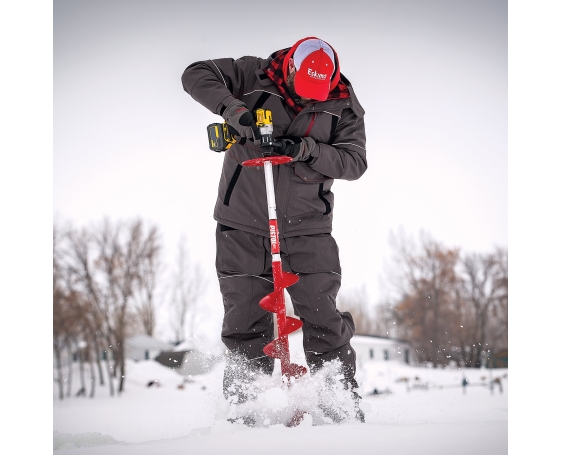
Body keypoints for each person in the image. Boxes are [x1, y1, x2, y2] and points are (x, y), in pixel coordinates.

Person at [182, 37, 367, 423]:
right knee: (245, 320)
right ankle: (247, 411)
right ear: (291, 69)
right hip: (242, 223)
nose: (307, 102)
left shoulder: (343, 104)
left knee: (322, 316)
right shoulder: (252, 74)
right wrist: (235, 111)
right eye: (302, 92)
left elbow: (354, 162)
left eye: (318, 94)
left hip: (309, 228)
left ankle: (339, 408)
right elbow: (194, 74)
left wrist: (306, 149)